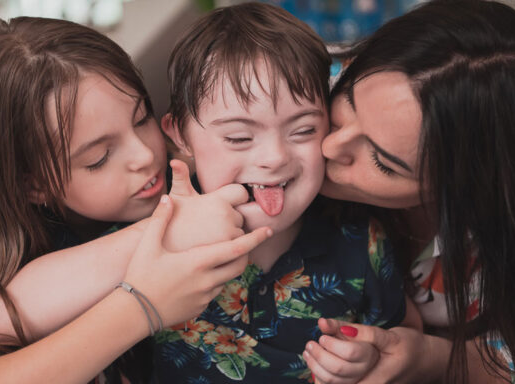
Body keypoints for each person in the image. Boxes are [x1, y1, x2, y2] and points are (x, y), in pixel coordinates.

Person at [0, 16, 271, 384]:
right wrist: (143, 302)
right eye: (98, 157)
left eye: (142, 118)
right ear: (33, 184)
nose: (143, 155)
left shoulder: (191, 172)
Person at [300, 1, 515, 383]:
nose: (329, 147)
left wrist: (431, 356)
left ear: (468, 192)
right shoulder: (288, 85)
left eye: (384, 163)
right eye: (348, 104)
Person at [154, 3, 414, 382]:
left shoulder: (362, 241)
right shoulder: (149, 228)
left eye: (304, 130)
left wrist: (367, 357)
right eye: (239, 137)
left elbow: (404, 337)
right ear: (180, 135)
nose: (274, 158)